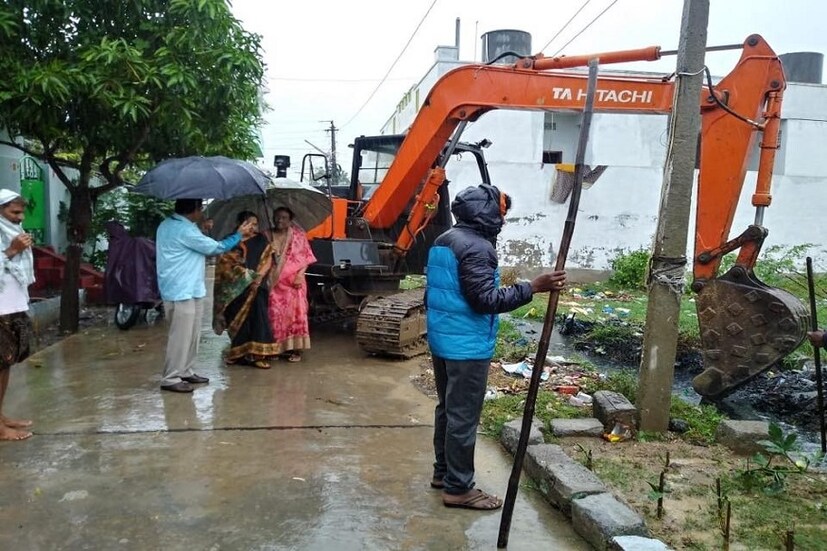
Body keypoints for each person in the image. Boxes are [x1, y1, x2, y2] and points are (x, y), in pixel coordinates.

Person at [425, 184, 567, 510]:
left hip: (443, 340)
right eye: (501, 214)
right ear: (487, 215)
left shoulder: (443, 241)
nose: (502, 221)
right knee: (463, 417)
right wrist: (533, 287)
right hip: (467, 347)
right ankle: (458, 489)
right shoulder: (477, 248)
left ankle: (443, 473)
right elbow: (485, 301)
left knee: (448, 410)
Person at [156, 198, 255, 393]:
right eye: (201, 208)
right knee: (181, 336)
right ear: (194, 210)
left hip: (188, 287)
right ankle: (171, 377)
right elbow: (214, 248)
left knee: (191, 335)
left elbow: (195, 245)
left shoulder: (171, 225)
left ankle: (185, 370)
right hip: (180, 289)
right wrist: (238, 235)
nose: (203, 212)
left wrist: (202, 230)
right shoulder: (185, 230)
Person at [213, 211, 280, 368]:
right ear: (241, 224)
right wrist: (245, 277)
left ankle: (258, 355)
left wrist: (257, 278)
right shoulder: (230, 240)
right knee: (238, 320)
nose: (254, 227)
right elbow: (225, 265)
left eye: (256, 223)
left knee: (258, 319)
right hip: (236, 290)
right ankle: (238, 353)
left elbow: (268, 260)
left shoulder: (261, 240)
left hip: (258, 288)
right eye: (251, 223)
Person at [0, 189, 35, 441]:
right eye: (14, 212)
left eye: (21, 212)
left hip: (12, 307)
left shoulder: (12, 232)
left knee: (6, 364)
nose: (19, 217)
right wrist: (11, 250)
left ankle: (0, 417)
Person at [267, 207, 317, 362]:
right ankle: (276, 348)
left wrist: (300, 276)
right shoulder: (267, 235)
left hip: (294, 283)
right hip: (274, 282)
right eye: (277, 217)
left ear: (290, 219)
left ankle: (296, 350)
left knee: (296, 315)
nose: (279, 220)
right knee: (274, 314)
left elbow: (306, 258)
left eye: (283, 217)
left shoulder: (298, 236)